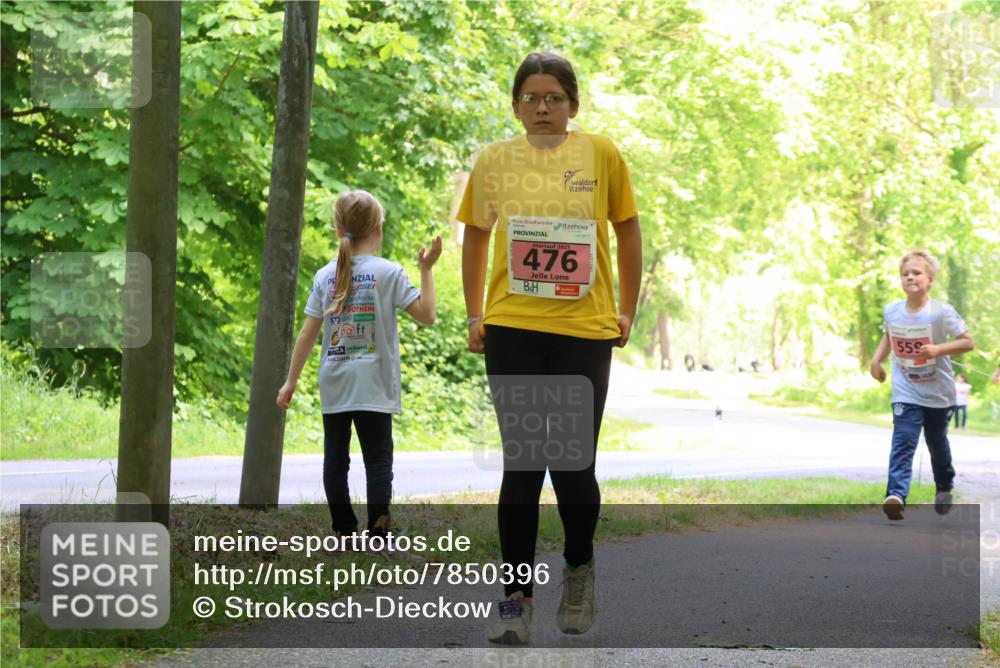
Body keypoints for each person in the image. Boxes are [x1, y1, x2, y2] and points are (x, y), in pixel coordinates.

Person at [458, 52, 641, 644]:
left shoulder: (602, 154)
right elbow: (477, 236)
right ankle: (515, 600)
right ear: (515, 105)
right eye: (531, 98)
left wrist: (628, 308)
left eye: (553, 98)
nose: (542, 108)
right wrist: (474, 313)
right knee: (522, 465)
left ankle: (579, 569)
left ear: (573, 105)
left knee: (572, 464)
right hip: (513, 325)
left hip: (585, 329)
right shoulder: (494, 160)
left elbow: (627, 228)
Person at [277, 190, 441, 543]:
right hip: (374, 383)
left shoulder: (325, 276)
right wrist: (426, 270)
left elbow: (307, 333)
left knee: (335, 459)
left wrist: (290, 381)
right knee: (378, 459)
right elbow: (427, 315)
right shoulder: (389, 272)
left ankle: (342, 528)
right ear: (378, 231)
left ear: (339, 231)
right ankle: (378, 527)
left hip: (334, 380)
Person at [870, 249, 974, 520]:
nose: (910, 277)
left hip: (938, 393)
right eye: (905, 274)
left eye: (917, 273)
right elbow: (889, 336)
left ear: (930, 280)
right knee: (904, 440)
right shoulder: (892, 311)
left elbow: (967, 342)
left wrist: (938, 350)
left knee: (936, 443)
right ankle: (896, 495)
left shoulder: (941, 312)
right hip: (906, 389)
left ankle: (943, 486)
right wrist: (876, 361)